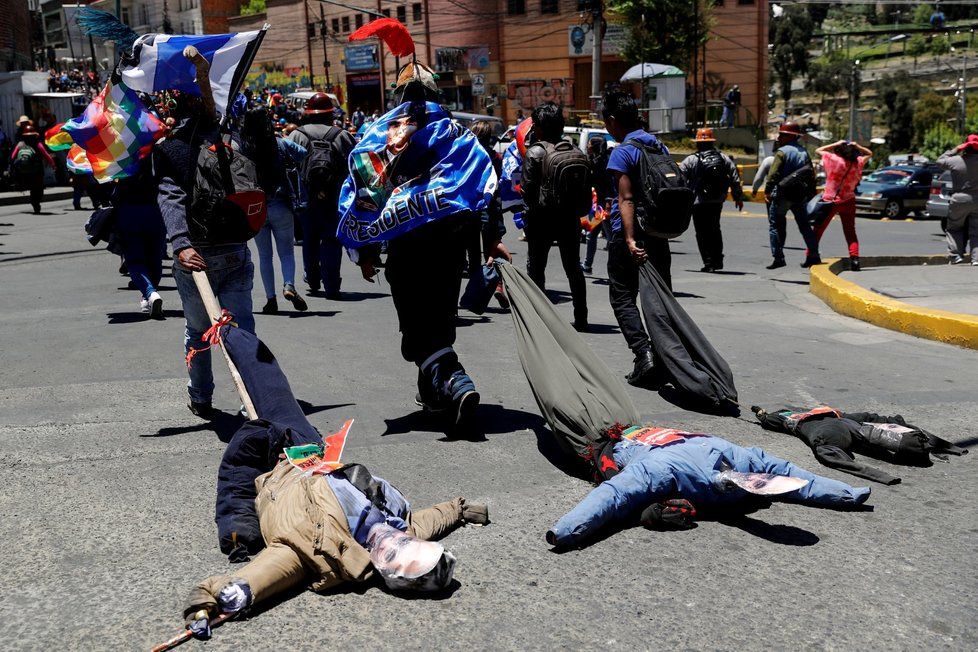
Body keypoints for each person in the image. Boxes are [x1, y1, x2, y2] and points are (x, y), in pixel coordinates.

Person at [339, 22, 494, 437]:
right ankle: (435, 394)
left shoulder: (381, 136)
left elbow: (363, 190)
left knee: (417, 328)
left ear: (397, 98)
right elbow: (481, 186)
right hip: (450, 248)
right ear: (437, 97)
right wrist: (488, 240)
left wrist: (366, 249)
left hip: (407, 249)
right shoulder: (458, 135)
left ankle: (456, 381)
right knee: (439, 321)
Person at [182, 452, 489, 634]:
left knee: (251, 427)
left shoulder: (320, 553)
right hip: (310, 451)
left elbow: (270, 572)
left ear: (384, 572)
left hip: (270, 469)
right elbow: (434, 519)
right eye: (406, 542)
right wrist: (461, 509)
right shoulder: (402, 526)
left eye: (392, 555)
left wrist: (219, 597)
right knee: (272, 388)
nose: (392, 541)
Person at [546, 425, 871, 548]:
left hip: (660, 446)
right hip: (632, 444)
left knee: (636, 500)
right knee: (632, 499)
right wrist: (567, 530)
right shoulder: (664, 468)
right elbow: (613, 495)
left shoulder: (742, 458)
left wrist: (849, 495)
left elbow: (798, 480)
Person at [153, 49, 257, 418]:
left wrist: (180, 244)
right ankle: (255, 401)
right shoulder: (230, 139)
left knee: (198, 332)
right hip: (236, 248)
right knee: (241, 330)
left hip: (195, 255)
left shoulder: (169, 148)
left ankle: (200, 397)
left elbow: (170, 197)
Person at [601, 90, 671, 387]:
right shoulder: (659, 147)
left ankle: (644, 355)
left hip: (628, 235)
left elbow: (625, 198)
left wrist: (629, 239)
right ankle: (665, 355)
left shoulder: (623, 151)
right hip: (658, 233)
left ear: (614, 121)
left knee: (622, 296)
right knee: (659, 298)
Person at [752, 405, 966, 485]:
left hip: (831, 428)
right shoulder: (814, 409)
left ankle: (922, 447)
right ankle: (933, 445)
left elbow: (770, 420)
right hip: (845, 419)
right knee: (878, 424)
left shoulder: (785, 418)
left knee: (827, 448)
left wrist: (762, 415)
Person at [520, 101, 589, 331]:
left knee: (537, 268)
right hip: (569, 218)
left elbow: (528, 190)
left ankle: (541, 319)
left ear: (539, 127)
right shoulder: (575, 151)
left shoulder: (535, 152)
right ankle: (581, 316)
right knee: (573, 268)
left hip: (541, 219)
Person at [287, 93, 357, 298]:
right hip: (334, 197)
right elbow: (354, 166)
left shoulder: (296, 135)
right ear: (330, 114)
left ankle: (313, 279)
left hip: (306, 197)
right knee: (331, 238)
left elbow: (289, 166)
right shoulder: (342, 135)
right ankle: (332, 283)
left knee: (309, 237)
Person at [240, 106, 308, 314]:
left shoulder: (244, 148)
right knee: (286, 252)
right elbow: (303, 153)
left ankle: (271, 299)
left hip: (256, 208)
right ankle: (289, 285)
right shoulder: (278, 144)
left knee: (264, 255)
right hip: (281, 203)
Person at [680, 127, 745, 272]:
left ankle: (708, 263)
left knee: (702, 232)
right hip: (717, 200)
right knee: (715, 229)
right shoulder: (723, 158)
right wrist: (738, 198)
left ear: (698, 143)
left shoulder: (691, 160)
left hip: (699, 202)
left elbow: (680, 179)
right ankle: (718, 260)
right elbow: (735, 178)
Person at [807, 140, 872, 271]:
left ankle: (811, 256)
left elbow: (818, 150)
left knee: (818, 230)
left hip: (830, 200)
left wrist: (837, 143)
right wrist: (857, 145)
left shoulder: (833, 159)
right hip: (849, 200)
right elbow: (869, 153)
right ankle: (855, 260)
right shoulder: (857, 162)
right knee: (850, 232)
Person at [764, 121, 820, 269]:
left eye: (782, 135)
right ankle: (814, 255)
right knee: (805, 227)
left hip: (782, 195)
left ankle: (778, 258)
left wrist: (768, 191)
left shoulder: (782, 152)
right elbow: (811, 175)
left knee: (775, 226)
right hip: (799, 197)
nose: (779, 137)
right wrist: (810, 193)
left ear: (789, 136)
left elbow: (773, 174)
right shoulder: (803, 152)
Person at [114, 157, 166, 318]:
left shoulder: (122, 160)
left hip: (129, 215)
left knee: (135, 260)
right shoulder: (157, 158)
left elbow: (113, 192)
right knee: (155, 258)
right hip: (156, 213)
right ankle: (149, 295)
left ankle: (150, 293)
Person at [936, 134, 978, 265]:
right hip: (977, 200)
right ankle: (976, 259)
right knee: (976, 231)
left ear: (965, 146)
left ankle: (955, 256)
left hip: (958, 199)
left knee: (954, 228)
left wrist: (956, 149)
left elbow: (940, 160)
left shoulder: (956, 160)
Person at [583, 136, 614, 275]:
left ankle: (618, 266)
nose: (587, 146)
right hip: (597, 207)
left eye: (589, 144)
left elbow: (608, 185)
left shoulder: (603, 163)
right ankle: (587, 265)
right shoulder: (594, 161)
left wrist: (608, 203)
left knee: (611, 238)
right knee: (592, 234)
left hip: (604, 206)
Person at [9, 124, 55, 214]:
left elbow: (12, 157)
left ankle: (34, 202)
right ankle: (36, 203)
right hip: (37, 171)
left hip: (24, 172)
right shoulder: (38, 144)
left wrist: (12, 168)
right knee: (38, 189)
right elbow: (46, 155)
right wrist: (53, 164)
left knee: (31, 188)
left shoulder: (20, 144)